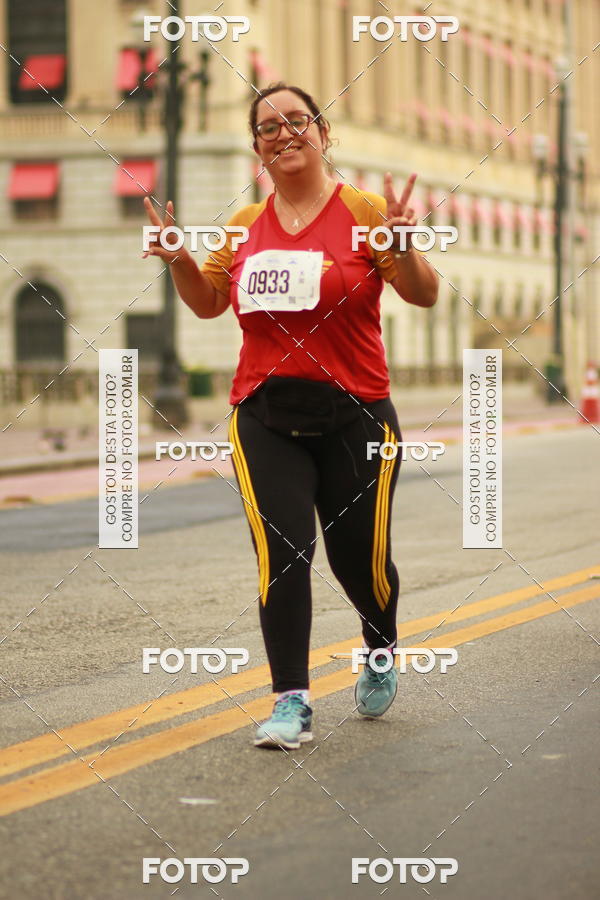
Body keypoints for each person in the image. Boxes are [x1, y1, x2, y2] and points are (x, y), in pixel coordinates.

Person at [143, 83, 438, 750]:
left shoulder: (363, 211)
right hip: (265, 416)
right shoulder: (244, 224)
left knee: (359, 562)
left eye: (296, 121)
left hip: (358, 416)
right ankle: (290, 702)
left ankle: (380, 643)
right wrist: (181, 258)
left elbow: (422, 295)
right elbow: (208, 303)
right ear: (257, 147)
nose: (284, 134)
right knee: (284, 555)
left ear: (323, 133)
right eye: (268, 127)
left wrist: (404, 244)